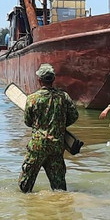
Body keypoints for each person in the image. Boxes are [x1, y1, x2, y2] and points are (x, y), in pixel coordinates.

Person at [19, 63, 79, 193]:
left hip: (38, 145)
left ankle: (25, 206)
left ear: (39, 80)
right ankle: (60, 207)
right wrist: (59, 125)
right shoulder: (64, 97)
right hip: (57, 144)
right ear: (53, 79)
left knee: (25, 185)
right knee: (59, 187)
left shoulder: (32, 98)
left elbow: (28, 122)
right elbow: (74, 116)